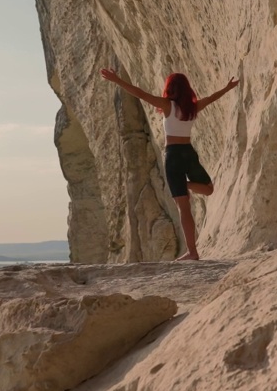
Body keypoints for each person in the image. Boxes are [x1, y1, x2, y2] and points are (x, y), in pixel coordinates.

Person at [99, 68, 239, 261]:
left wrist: (117, 80)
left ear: (170, 88)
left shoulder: (167, 105)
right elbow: (213, 97)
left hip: (173, 155)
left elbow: (140, 94)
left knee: (184, 207)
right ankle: (192, 247)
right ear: (186, 89)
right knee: (208, 189)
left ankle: (192, 252)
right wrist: (227, 87)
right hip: (189, 153)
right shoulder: (193, 107)